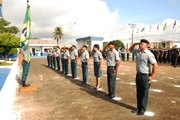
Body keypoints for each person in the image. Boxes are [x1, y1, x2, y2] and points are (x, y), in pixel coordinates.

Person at [129, 39, 158, 115]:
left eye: (142, 44)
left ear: (147, 45)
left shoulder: (149, 54)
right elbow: (130, 49)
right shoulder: (138, 52)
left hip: (145, 76)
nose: (140, 45)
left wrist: (151, 76)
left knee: (144, 93)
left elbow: (155, 65)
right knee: (138, 92)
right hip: (138, 75)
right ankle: (138, 108)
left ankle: (142, 109)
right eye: (140, 44)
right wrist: (135, 43)